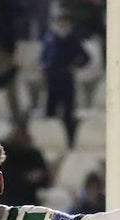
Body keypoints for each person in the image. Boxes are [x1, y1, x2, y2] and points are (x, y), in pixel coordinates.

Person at [38, 13, 88, 146]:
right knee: (50, 111)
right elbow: (43, 57)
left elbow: (85, 58)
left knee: (68, 113)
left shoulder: (73, 40)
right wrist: (44, 65)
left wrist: (75, 65)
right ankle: (49, 140)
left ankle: (69, 142)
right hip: (52, 79)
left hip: (67, 80)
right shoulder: (49, 39)